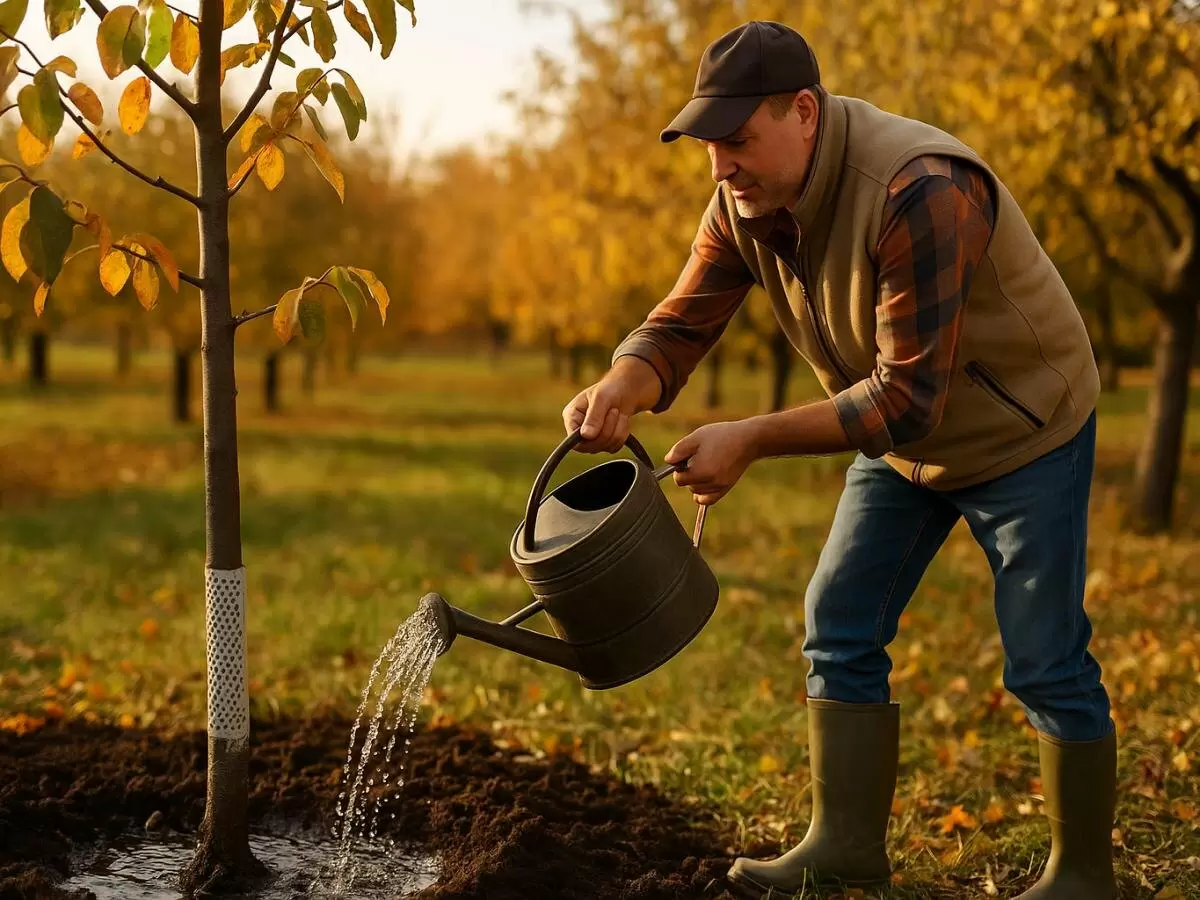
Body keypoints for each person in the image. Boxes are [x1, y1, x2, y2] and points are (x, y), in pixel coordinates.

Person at [561, 19, 1117, 900]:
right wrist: (623, 383)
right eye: (709, 146)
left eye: (737, 140)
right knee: (839, 619)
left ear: (805, 113)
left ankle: (1083, 875)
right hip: (904, 449)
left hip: (1023, 429)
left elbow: (905, 399)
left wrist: (751, 437)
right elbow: (682, 320)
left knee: (1044, 653)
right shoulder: (743, 202)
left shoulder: (919, 189)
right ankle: (844, 845)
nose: (721, 166)